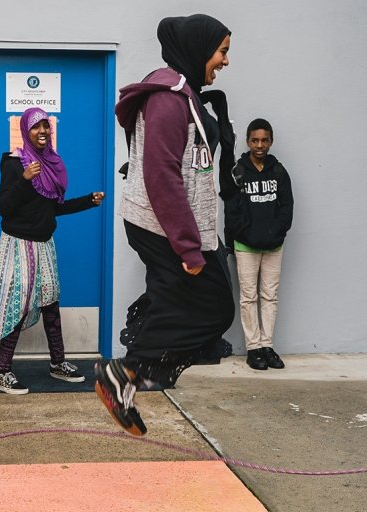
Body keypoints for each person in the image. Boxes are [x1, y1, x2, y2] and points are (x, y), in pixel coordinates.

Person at [95, 14, 236, 436]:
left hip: (172, 223)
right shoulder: (169, 98)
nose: (226, 61)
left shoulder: (184, 92)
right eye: (222, 51)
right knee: (213, 304)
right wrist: (189, 247)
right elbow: (161, 173)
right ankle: (128, 368)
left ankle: (130, 371)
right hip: (163, 225)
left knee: (184, 299)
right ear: (198, 48)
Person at [0, 107, 105, 394]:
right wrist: (23, 179)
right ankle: (2, 372)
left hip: (45, 244)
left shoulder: (52, 163)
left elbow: (54, 208)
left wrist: (88, 201)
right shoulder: (13, 162)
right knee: (17, 305)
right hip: (18, 244)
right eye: (36, 127)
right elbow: (4, 208)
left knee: (50, 304)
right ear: (26, 130)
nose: (43, 131)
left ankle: (57, 363)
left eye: (46, 126)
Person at [222, 119, 293, 370]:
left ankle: (267, 345)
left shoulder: (279, 172)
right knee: (248, 298)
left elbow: (287, 208)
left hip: (273, 247)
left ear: (271, 141)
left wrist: (275, 233)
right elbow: (231, 212)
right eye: (255, 140)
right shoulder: (237, 172)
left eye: (264, 140)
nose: (259, 145)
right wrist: (248, 235)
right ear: (247, 141)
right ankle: (253, 349)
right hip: (246, 247)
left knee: (269, 296)